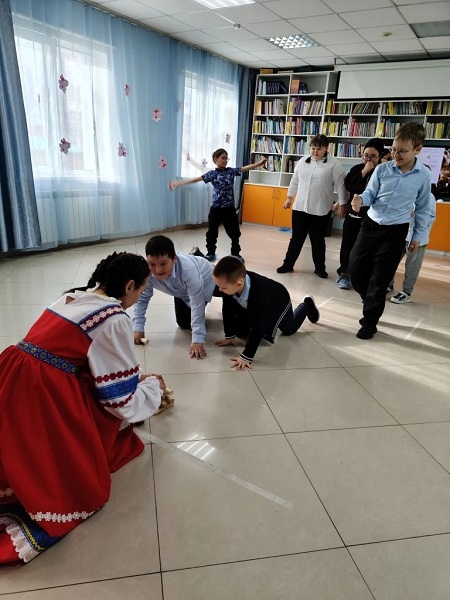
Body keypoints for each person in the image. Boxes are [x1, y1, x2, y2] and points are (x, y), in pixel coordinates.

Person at [0, 252, 168, 565]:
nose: (139, 298)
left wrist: (133, 378)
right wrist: (152, 390)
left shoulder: (71, 297)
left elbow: (80, 358)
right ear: (129, 286)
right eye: (142, 290)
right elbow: (118, 399)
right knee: (83, 484)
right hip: (41, 391)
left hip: (12, 373)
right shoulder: (114, 318)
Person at [349, 123, 433, 339]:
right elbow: (370, 193)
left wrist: (418, 237)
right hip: (370, 225)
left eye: (402, 151)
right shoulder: (382, 169)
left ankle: (369, 322)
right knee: (355, 270)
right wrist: (360, 200)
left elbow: (423, 208)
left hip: (396, 232)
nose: (396, 155)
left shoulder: (423, 175)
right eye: (394, 149)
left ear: (418, 149)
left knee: (380, 278)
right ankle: (369, 298)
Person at [213, 256, 319, 370]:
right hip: (250, 304)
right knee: (241, 332)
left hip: (278, 301)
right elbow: (227, 309)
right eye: (218, 286)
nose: (219, 290)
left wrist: (246, 356)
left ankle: (307, 305)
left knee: (289, 329)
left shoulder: (260, 293)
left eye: (223, 287)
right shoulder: (229, 286)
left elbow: (259, 325)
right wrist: (229, 336)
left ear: (239, 284)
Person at [169, 149, 266, 262]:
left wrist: (259, 163)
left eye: (226, 158)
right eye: (222, 158)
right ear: (216, 159)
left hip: (229, 209)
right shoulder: (212, 174)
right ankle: (211, 253)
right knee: (212, 232)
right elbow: (196, 180)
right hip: (216, 208)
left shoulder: (231, 171)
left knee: (235, 233)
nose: (225, 160)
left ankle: (235, 254)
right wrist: (179, 183)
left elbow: (245, 168)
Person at [133, 235, 218, 359]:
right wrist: (138, 328)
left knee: (230, 287)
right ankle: (195, 255)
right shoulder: (147, 273)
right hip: (181, 291)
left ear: (174, 259)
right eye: (152, 264)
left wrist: (198, 339)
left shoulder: (188, 270)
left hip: (208, 277)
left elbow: (197, 303)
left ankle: (199, 257)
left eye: (163, 264)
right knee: (184, 323)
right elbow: (142, 298)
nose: (158, 270)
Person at [276, 134, 347, 278]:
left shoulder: (334, 164)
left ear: (326, 148)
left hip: (321, 209)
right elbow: (295, 180)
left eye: (319, 149)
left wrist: (342, 203)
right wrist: (289, 198)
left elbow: (341, 185)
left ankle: (320, 268)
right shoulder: (303, 161)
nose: (315, 151)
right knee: (296, 238)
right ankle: (288, 264)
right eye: (313, 148)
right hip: (300, 207)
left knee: (318, 240)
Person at [336, 138, 386, 290]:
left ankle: (363, 275)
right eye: (366, 155)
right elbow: (350, 186)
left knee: (367, 249)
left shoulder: (383, 171)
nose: (368, 159)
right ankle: (344, 273)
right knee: (347, 245)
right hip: (353, 215)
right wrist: (364, 171)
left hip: (371, 217)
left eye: (373, 156)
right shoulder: (357, 168)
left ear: (380, 156)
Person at [390, 195, 436, 304]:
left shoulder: (429, 197)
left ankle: (406, 292)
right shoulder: (408, 192)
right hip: (401, 234)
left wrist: (413, 217)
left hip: (418, 238)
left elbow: (431, 217)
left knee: (412, 267)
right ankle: (388, 285)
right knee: (391, 261)